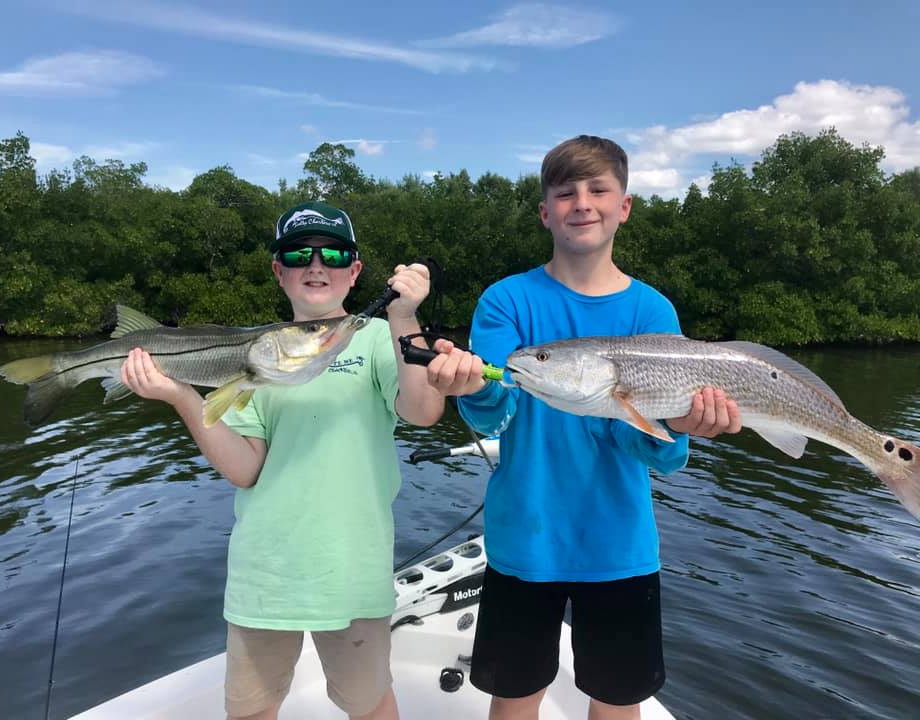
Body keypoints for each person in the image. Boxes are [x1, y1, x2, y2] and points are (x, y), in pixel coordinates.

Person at [426, 136, 742, 720]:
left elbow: (661, 455)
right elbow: (497, 404)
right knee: (514, 694)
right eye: (565, 192)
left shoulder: (652, 313)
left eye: (599, 190)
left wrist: (684, 424)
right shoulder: (506, 301)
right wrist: (471, 386)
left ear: (624, 206)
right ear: (546, 211)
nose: (582, 203)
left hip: (619, 544)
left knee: (619, 701)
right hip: (525, 540)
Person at [120, 200, 447, 720]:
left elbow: (424, 410)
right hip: (264, 574)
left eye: (334, 253)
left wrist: (404, 316)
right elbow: (246, 470)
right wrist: (181, 395)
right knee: (251, 710)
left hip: (352, 571)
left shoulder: (380, 341)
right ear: (279, 270)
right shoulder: (258, 354)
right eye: (298, 253)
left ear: (355, 270)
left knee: (370, 704)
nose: (316, 265)